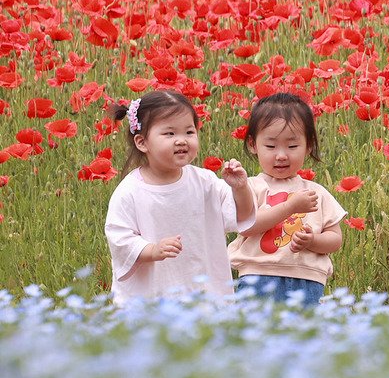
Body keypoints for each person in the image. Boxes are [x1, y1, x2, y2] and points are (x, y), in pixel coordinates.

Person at [104, 90, 255, 304]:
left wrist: (241, 189)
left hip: (205, 293)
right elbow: (120, 239)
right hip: (153, 297)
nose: (182, 140)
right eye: (170, 134)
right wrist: (152, 249)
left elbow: (243, 215)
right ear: (142, 142)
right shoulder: (130, 191)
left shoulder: (205, 182)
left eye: (189, 132)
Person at [228, 92, 347, 306]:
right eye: (271, 146)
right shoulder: (251, 187)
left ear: (308, 145)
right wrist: (290, 207)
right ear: (254, 145)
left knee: (303, 337)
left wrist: (313, 241)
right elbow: (246, 227)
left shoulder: (316, 192)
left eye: (292, 146)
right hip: (258, 276)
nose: (281, 155)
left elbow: (335, 239)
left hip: (308, 280)